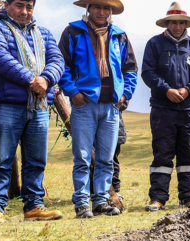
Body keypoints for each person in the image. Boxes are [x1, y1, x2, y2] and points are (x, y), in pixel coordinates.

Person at [0, 0, 64, 223]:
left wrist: (46, 79)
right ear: (6, 5)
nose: (25, 11)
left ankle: (34, 207)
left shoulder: (43, 33)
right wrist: (31, 80)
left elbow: (57, 60)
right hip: (7, 104)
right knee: (2, 158)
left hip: (38, 106)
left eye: (29, 6)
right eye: (19, 5)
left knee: (36, 160)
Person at [59, 0, 138, 218]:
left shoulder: (119, 35)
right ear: (88, 9)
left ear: (111, 11)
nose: (101, 12)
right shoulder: (73, 32)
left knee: (106, 157)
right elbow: (62, 65)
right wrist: (73, 92)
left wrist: (124, 95)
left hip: (111, 106)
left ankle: (101, 201)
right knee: (82, 157)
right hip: (84, 104)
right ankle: (82, 203)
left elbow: (130, 69)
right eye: (97, 7)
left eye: (106, 8)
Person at [141, 2, 190, 212]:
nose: (178, 26)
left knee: (188, 155)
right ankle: (158, 198)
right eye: (173, 22)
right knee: (162, 154)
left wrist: (188, 90)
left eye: (181, 22)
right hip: (163, 108)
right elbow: (148, 72)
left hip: (189, 110)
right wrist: (167, 90)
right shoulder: (154, 44)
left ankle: (188, 197)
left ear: (186, 23)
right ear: (167, 23)